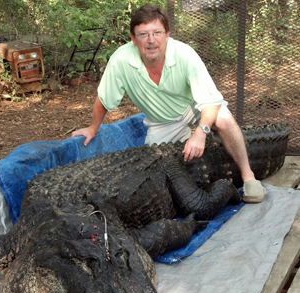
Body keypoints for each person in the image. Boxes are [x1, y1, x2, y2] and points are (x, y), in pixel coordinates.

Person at [72, 3, 266, 203]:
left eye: (157, 32)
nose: (151, 40)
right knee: (153, 172)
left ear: (167, 34)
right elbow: (104, 98)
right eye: (143, 34)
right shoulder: (120, 60)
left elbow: (211, 101)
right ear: (133, 38)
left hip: (193, 108)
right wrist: (93, 128)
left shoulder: (185, 54)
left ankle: (248, 176)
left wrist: (201, 132)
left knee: (223, 118)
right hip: (162, 121)